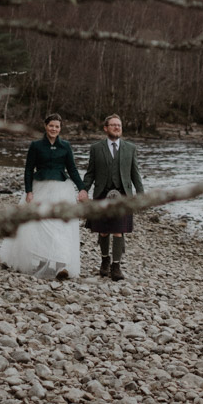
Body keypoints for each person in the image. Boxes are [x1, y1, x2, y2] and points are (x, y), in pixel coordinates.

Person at [0, 114, 88, 280]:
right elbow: (28, 170)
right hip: (40, 188)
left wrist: (82, 188)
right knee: (40, 226)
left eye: (57, 127)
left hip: (61, 189)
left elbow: (72, 169)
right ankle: (42, 261)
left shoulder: (65, 146)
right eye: (51, 126)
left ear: (60, 129)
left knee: (60, 226)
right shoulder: (36, 146)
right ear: (46, 126)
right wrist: (29, 191)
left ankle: (62, 266)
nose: (54, 129)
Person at [83, 114, 144, 281]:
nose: (117, 127)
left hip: (123, 195)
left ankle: (116, 266)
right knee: (103, 232)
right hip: (102, 193)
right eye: (113, 125)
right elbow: (90, 173)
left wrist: (141, 193)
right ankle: (104, 261)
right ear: (106, 128)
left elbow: (135, 174)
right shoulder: (96, 148)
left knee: (118, 231)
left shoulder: (130, 148)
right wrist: (83, 189)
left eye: (119, 125)